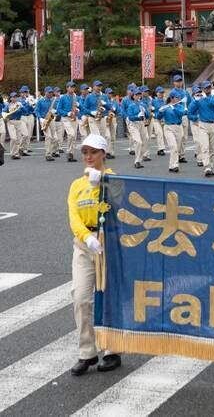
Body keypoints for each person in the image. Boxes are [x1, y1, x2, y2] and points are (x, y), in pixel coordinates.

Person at [68, 134, 121, 376]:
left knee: (107, 298)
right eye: (85, 152)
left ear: (103, 154)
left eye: (94, 152)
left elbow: (122, 204)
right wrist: (86, 238)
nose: (88, 157)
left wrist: (104, 183)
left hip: (107, 243)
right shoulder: (76, 185)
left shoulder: (114, 179)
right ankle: (87, 352)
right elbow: (73, 216)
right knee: (80, 298)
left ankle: (111, 350)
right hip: (84, 244)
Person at [188, 80, 214, 176]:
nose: (207, 89)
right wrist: (195, 118)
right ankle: (207, 167)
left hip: (213, 124)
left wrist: (205, 99)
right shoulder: (199, 100)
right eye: (206, 87)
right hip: (203, 125)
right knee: (205, 147)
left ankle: (210, 167)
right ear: (203, 89)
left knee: (212, 148)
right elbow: (190, 112)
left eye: (209, 87)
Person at [124, 88, 150, 169]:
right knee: (138, 142)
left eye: (139, 94)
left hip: (141, 123)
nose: (138, 96)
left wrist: (145, 112)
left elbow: (148, 115)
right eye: (136, 95)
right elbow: (130, 117)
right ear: (133, 96)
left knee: (145, 139)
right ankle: (137, 161)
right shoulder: (131, 106)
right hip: (133, 124)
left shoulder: (143, 104)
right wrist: (137, 116)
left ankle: (141, 157)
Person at [57, 81, 80, 162]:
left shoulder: (76, 97)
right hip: (66, 118)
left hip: (74, 118)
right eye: (71, 87)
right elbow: (58, 109)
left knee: (74, 136)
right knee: (71, 134)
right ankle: (68, 152)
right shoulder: (63, 97)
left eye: (73, 87)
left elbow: (80, 106)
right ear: (67, 88)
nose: (72, 88)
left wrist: (77, 109)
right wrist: (67, 113)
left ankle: (71, 153)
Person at [35, 86, 60, 162]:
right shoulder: (40, 101)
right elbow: (36, 111)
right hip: (43, 120)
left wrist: (55, 112)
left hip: (51, 119)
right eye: (49, 92)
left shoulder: (53, 100)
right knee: (48, 137)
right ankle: (48, 154)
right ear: (45, 92)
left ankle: (53, 151)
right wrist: (40, 118)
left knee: (55, 138)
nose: (50, 94)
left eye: (51, 92)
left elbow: (56, 110)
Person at [2, 92, 27, 159]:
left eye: (15, 97)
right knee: (13, 138)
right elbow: (4, 112)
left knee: (18, 139)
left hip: (18, 122)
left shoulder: (19, 104)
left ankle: (15, 153)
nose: (14, 98)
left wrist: (22, 106)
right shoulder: (8, 105)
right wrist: (6, 118)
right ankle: (12, 153)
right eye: (13, 97)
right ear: (10, 98)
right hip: (11, 122)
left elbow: (25, 112)